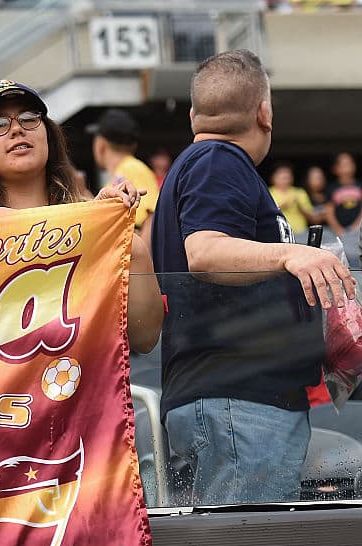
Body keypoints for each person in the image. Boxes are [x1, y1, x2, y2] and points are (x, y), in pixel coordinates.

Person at [151, 49, 355, 505]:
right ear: (264, 112)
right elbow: (204, 252)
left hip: (232, 401)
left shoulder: (205, 163)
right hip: (238, 403)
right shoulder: (217, 161)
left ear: (193, 115)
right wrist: (293, 255)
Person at [0, 80, 163, 354]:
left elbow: (145, 337)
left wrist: (121, 240)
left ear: (48, 135)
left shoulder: (90, 226)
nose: (17, 129)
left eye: (29, 118)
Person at [87, 108, 159, 238]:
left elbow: (151, 219)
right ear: (134, 145)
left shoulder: (134, 167)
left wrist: (145, 257)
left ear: (100, 144)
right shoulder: (124, 171)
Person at [268, 162, 313, 240]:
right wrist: (281, 207)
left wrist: (299, 206)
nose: (285, 180)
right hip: (278, 232)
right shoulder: (268, 192)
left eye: (288, 177)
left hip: (300, 232)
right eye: (282, 177)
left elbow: (311, 216)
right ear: (273, 178)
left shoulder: (299, 192)